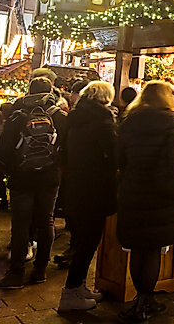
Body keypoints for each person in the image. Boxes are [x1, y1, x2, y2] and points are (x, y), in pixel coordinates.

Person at [116, 81, 174, 320]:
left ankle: (140, 299)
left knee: (137, 247)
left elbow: (120, 158)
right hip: (162, 194)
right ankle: (146, 299)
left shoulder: (129, 122)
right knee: (154, 248)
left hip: (134, 191)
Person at [0, 76, 65, 289]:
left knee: (21, 225)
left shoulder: (18, 116)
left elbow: (3, 149)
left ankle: (16, 273)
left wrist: (7, 167)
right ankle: (40, 270)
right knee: (46, 222)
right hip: (50, 178)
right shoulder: (60, 116)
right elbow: (67, 147)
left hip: (21, 177)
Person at [57, 81, 119, 312]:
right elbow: (115, 155)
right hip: (96, 189)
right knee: (88, 242)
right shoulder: (103, 122)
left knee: (83, 239)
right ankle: (71, 292)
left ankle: (78, 286)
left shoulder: (74, 118)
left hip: (75, 186)